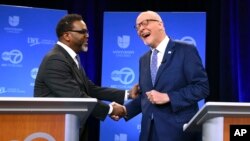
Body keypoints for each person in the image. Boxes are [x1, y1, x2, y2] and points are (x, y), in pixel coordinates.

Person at [111, 11, 209, 141]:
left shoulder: (185, 50)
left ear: (160, 24)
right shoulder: (144, 60)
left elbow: (202, 87)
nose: (141, 28)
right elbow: (146, 97)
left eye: (145, 23)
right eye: (138, 26)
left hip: (178, 133)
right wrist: (124, 110)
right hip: (148, 134)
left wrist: (169, 97)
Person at [34, 14, 134, 140]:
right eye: (82, 32)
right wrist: (110, 109)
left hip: (70, 129)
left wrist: (128, 94)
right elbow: (75, 97)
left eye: (87, 32)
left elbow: (90, 89)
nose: (87, 36)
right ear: (67, 36)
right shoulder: (56, 59)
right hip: (54, 131)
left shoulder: (71, 57)